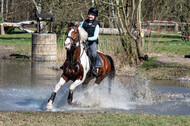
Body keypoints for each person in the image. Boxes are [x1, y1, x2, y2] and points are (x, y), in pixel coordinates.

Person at [80, 7, 99, 76]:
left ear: (95, 16)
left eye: (92, 15)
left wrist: (87, 39)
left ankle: (93, 68)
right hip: (83, 41)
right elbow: (78, 29)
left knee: (93, 53)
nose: (90, 16)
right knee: (73, 49)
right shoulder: (83, 23)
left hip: (92, 42)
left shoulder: (96, 25)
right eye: (89, 14)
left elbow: (95, 37)